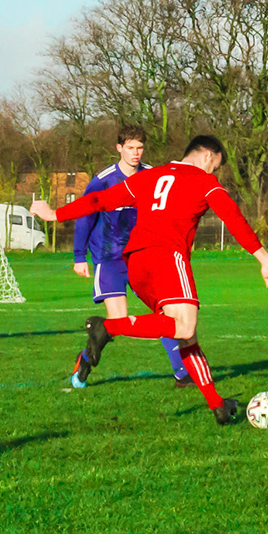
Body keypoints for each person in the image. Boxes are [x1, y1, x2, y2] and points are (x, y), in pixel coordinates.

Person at [31, 135, 268, 424]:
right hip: (167, 257)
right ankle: (107, 327)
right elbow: (233, 217)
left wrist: (55, 214)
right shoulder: (204, 181)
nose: (213, 172)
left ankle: (218, 405)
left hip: (136, 262)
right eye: (215, 166)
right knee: (184, 324)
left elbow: (100, 199)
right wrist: (265, 261)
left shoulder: (150, 176)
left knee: (185, 334)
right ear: (207, 156)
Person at [70, 126, 190, 389]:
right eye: (130, 148)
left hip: (143, 259)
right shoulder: (102, 181)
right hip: (109, 259)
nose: (136, 153)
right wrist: (80, 256)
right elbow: (85, 217)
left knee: (166, 316)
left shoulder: (152, 177)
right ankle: (87, 359)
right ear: (119, 148)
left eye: (140, 148)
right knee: (117, 322)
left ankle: (182, 373)